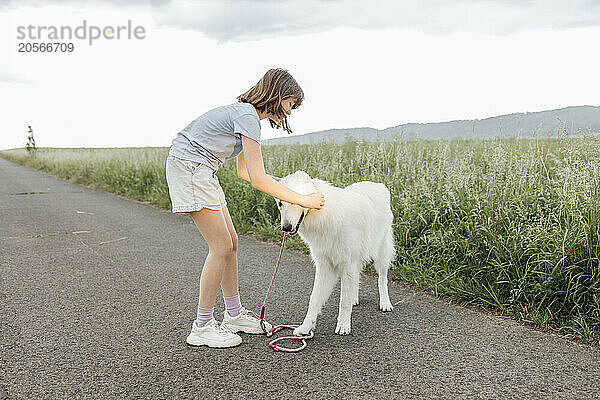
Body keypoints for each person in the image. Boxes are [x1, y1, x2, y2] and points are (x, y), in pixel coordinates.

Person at [165, 68, 325, 348]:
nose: (290, 111)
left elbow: (247, 173)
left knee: (231, 242)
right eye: (291, 104)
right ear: (278, 95)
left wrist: (287, 186)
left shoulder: (245, 117)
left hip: (202, 170)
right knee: (220, 247)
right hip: (191, 168)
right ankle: (201, 327)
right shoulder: (248, 116)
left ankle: (234, 315)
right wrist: (303, 200)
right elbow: (259, 180)